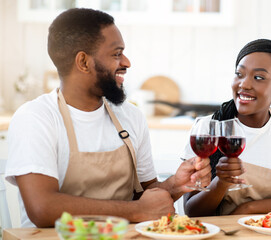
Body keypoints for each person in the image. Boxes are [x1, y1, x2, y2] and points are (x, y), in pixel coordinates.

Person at [5, 8, 211, 228]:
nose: (127, 62)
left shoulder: (130, 117)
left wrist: (174, 186)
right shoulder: (36, 118)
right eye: (116, 54)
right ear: (83, 62)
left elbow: (147, 196)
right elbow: (42, 208)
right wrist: (136, 211)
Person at [182, 39, 271, 216]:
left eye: (258, 77)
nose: (244, 84)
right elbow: (192, 211)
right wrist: (220, 182)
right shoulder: (208, 129)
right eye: (239, 74)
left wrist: (248, 209)